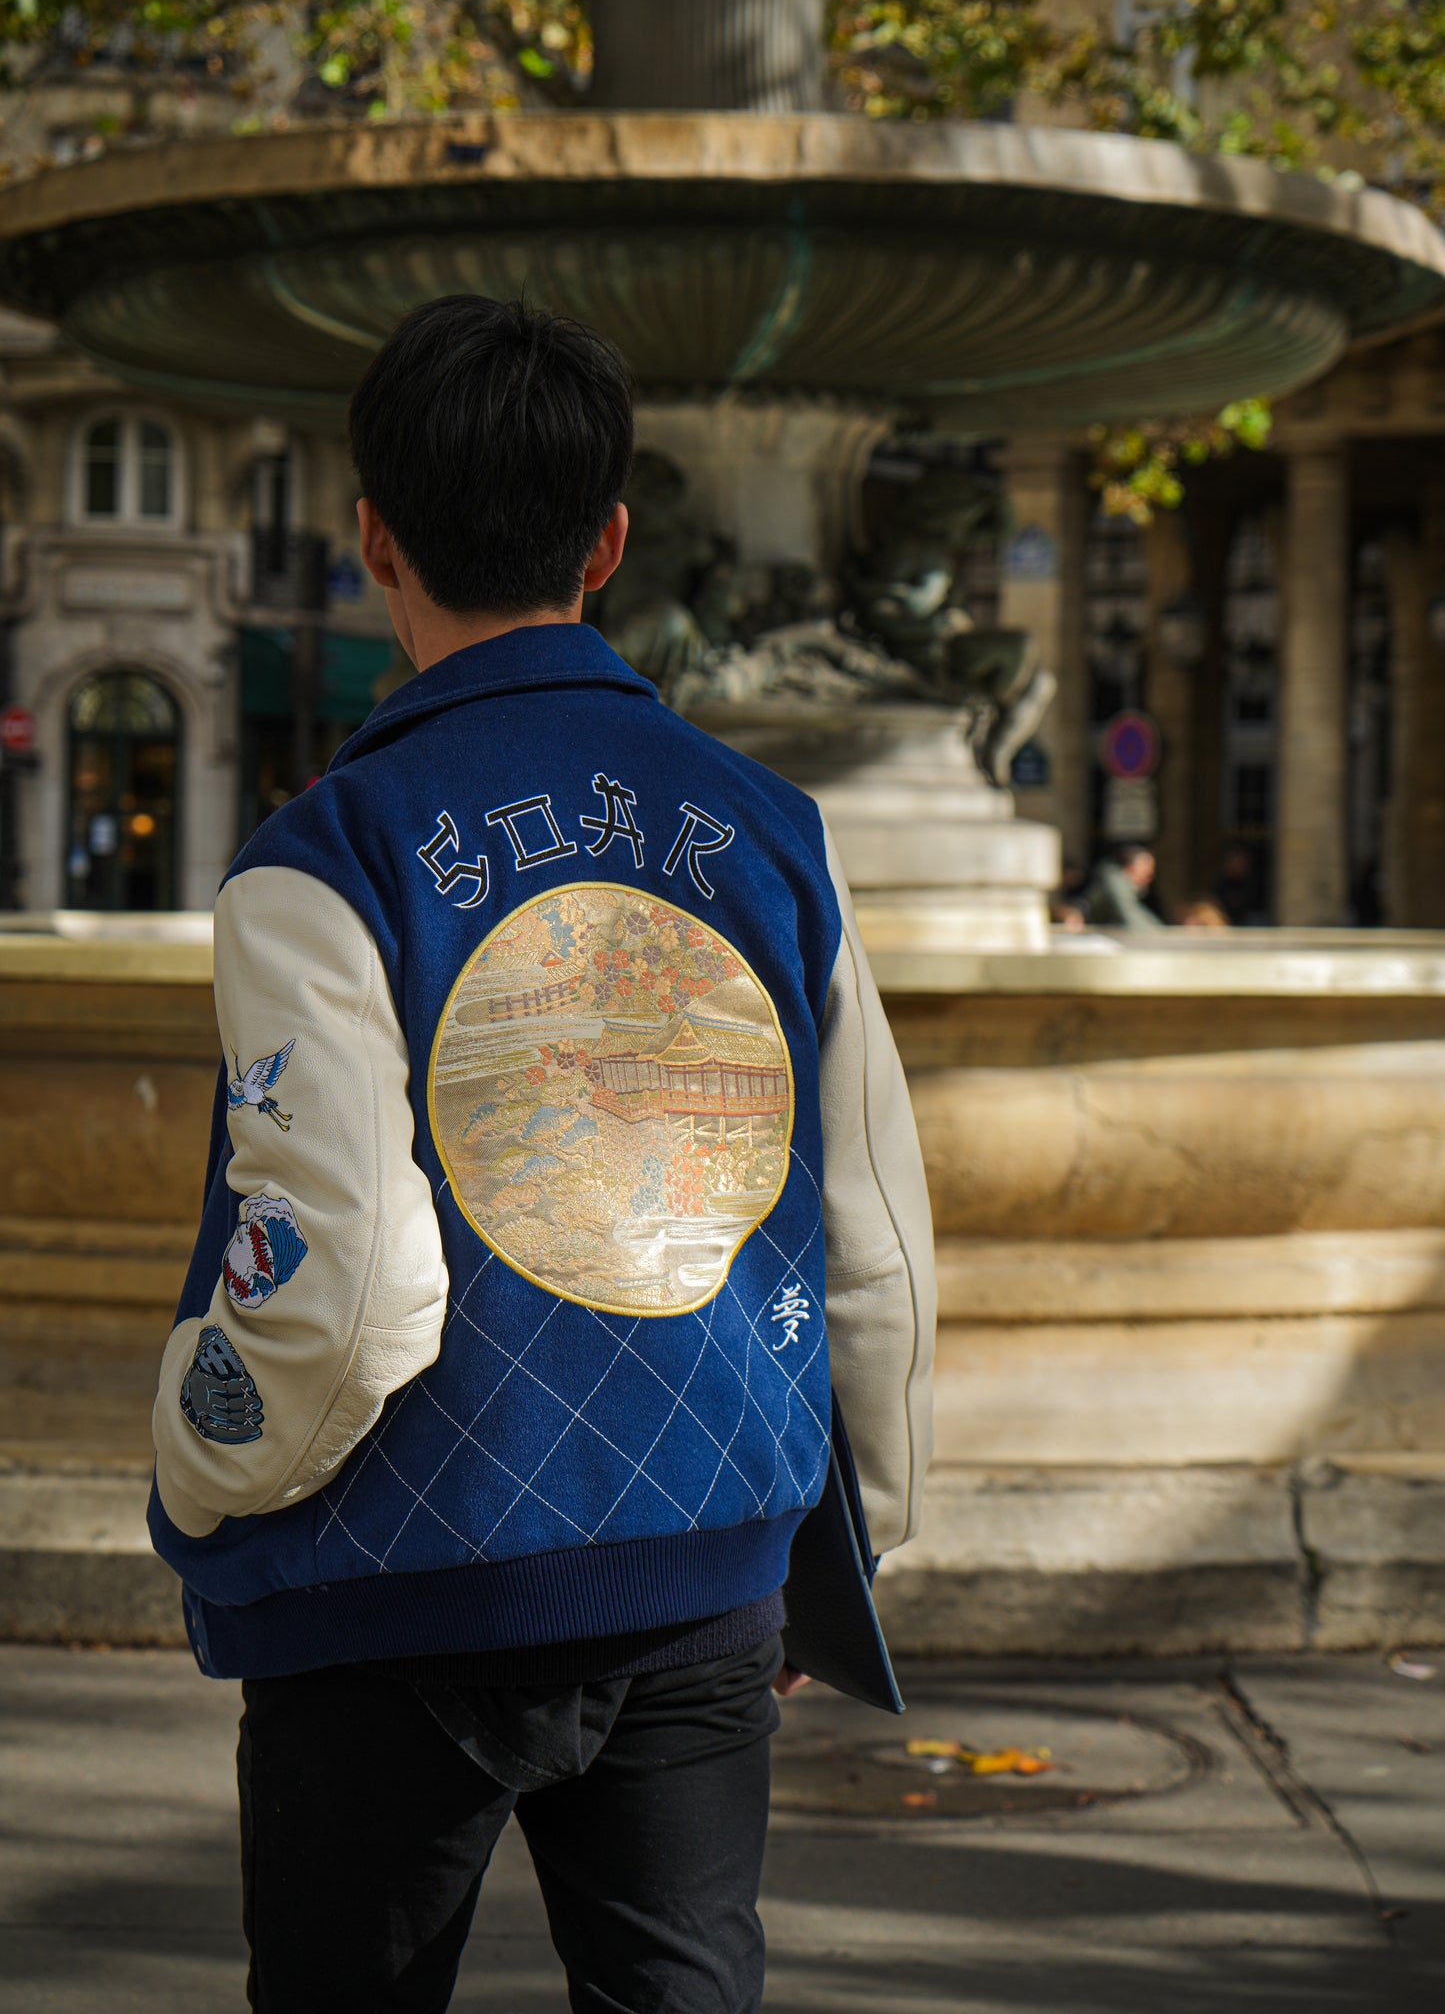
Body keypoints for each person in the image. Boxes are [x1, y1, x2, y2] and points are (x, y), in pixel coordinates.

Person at [148, 295, 937, 2014]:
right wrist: (839, 1539)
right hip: (706, 1562)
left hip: (388, 1588)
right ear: (614, 540)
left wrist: (196, 1466)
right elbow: (869, 1230)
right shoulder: (776, 832)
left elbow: (346, 1289)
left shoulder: (323, 856)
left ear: (373, 537)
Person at [1081, 842, 1166, 929]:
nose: (1149, 879)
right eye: (1146, 874)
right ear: (1129, 868)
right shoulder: (1115, 883)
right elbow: (1132, 918)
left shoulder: (1127, 889)